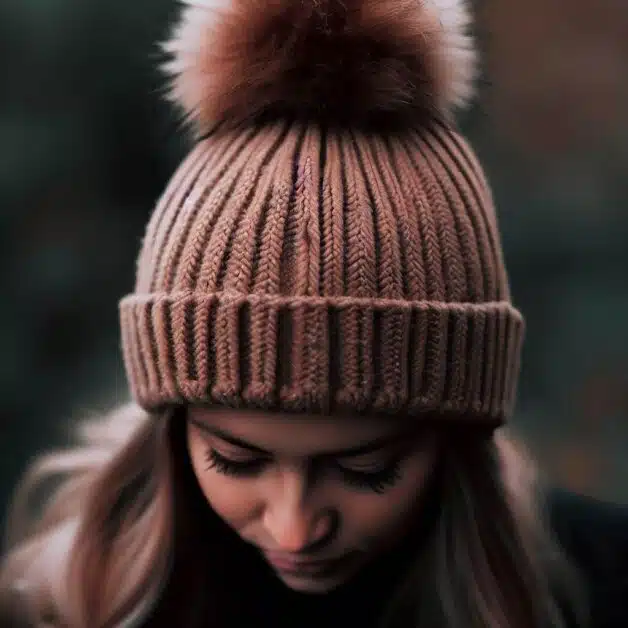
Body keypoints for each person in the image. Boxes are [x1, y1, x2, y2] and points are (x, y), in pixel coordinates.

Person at [1, 0, 627, 626]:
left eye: (366, 470)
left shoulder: (601, 583)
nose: (295, 529)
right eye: (235, 462)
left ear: (457, 437)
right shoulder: (65, 603)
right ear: (170, 431)